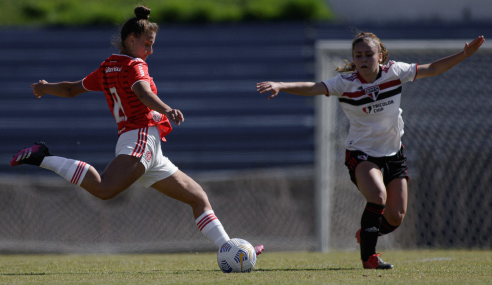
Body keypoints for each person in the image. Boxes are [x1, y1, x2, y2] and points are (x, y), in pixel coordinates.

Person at [11, 6, 263, 257]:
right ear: (131, 40)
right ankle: (42, 156)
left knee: (198, 197)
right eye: (147, 44)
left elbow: (71, 90)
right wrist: (168, 109)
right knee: (104, 189)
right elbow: (143, 92)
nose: (150, 51)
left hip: (143, 144)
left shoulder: (107, 66)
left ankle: (231, 250)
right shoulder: (135, 65)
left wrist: (46, 87)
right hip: (141, 136)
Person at [257, 32, 484, 269]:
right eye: (358, 55)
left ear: (381, 56)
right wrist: (281, 85)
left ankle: (365, 234)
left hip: (394, 155)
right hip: (361, 155)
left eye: (368, 54)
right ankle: (370, 258)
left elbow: (433, 69)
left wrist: (464, 54)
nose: (363, 59)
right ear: (353, 59)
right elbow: (313, 87)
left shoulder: (395, 73)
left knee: (396, 216)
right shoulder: (345, 83)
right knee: (377, 197)